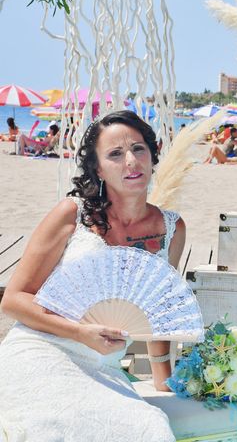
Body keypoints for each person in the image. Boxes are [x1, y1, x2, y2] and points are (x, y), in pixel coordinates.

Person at [0, 110, 186, 441]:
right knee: (49, 428)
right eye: (115, 154)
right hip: (42, 349)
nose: (131, 161)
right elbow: (13, 300)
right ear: (98, 169)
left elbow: (159, 312)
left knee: (153, 429)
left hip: (102, 367)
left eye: (138, 148)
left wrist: (164, 382)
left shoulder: (171, 228)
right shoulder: (71, 215)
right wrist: (79, 332)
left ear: (152, 154)